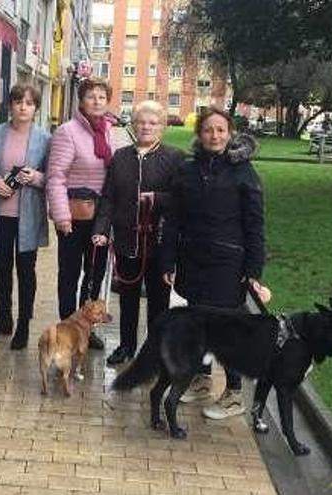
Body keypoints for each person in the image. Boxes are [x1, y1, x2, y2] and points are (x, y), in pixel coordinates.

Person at [160, 106, 266, 420]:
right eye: (208, 130)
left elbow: (255, 225)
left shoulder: (244, 172)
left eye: (221, 130)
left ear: (230, 133)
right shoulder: (188, 170)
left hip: (228, 263)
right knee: (199, 324)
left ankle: (234, 392)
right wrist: (169, 259)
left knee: (226, 329)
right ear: (199, 134)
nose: (215, 135)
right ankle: (201, 378)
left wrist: (253, 270)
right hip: (194, 259)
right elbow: (174, 219)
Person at [92, 100, 183, 365]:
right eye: (141, 122)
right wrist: (102, 230)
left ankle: (154, 353)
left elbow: (181, 199)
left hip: (159, 241)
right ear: (133, 124)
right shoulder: (121, 157)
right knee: (128, 299)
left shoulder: (175, 158)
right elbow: (109, 197)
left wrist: (157, 198)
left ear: (162, 128)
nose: (146, 127)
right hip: (126, 240)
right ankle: (126, 346)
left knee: (158, 302)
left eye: (153, 123)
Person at [0, 84, 51, 350]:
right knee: (2, 269)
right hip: (0, 214)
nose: (23, 107)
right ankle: (3, 319)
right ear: (10, 105)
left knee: (26, 271)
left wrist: (36, 177)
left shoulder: (44, 138)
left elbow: (52, 176)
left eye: (29, 103)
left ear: (35, 108)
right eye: (18, 101)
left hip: (28, 216)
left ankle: (23, 325)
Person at [46, 77, 116, 350]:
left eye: (101, 96)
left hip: (100, 216)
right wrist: (61, 216)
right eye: (91, 96)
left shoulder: (109, 131)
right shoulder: (67, 132)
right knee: (70, 274)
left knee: (95, 274)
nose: (97, 101)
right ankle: (66, 326)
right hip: (73, 217)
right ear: (81, 100)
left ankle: (87, 327)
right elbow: (55, 177)